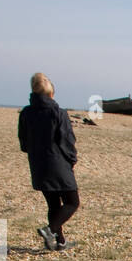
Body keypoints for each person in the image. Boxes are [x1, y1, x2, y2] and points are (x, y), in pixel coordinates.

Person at [18, 72, 79, 251]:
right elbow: (67, 141)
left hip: (38, 165)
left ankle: (60, 242)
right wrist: (71, 160)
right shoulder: (58, 113)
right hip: (58, 164)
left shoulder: (26, 113)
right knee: (72, 202)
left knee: (53, 204)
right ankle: (50, 230)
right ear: (51, 93)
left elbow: (24, 143)